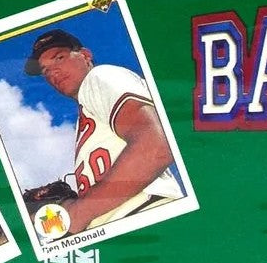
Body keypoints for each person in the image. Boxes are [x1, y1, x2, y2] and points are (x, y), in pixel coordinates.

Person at [22, 29, 183, 234]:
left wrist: (78, 212)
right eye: (45, 70)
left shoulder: (100, 76)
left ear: (85, 55)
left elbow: (156, 146)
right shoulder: (88, 117)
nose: (53, 72)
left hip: (146, 214)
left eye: (59, 58)